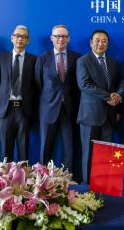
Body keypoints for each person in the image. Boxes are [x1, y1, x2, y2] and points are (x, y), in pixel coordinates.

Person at [76, 30, 121, 183]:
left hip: (109, 115)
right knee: (88, 154)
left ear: (107, 44)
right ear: (91, 42)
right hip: (90, 115)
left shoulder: (114, 63)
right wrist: (108, 96)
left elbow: (117, 86)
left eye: (104, 41)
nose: (101, 43)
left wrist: (117, 101)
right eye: (97, 40)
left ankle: (105, 186)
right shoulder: (83, 61)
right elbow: (84, 85)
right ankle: (87, 189)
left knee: (107, 153)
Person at [35, 25, 80, 172]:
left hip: (69, 109)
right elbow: (38, 83)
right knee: (45, 146)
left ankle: (68, 179)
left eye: (64, 36)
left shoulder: (77, 58)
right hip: (48, 108)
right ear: (51, 38)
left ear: (69, 39)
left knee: (69, 146)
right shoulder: (42, 58)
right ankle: (43, 179)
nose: (60, 39)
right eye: (57, 36)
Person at [0, 25, 36, 162]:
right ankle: (5, 181)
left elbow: (36, 85)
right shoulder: (1, 58)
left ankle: (24, 181)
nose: (20, 39)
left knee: (24, 149)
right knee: (6, 150)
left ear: (28, 40)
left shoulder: (34, 60)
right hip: (6, 109)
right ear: (12, 38)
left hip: (25, 109)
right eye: (17, 35)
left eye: (23, 36)